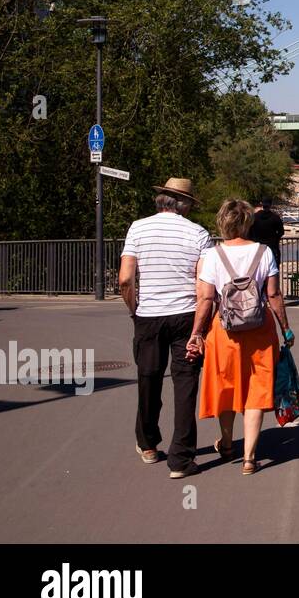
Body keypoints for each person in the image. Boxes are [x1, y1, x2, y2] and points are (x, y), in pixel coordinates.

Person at [189, 199, 294, 475]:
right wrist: (286, 328)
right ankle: (249, 458)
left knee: (226, 385)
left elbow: (206, 299)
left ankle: (226, 443)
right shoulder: (265, 253)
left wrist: (197, 333)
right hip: (260, 330)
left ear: (222, 222)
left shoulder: (212, 255)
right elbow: (273, 295)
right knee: (257, 390)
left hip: (224, 331)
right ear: (248, 222)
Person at [118, 177, 212, 479]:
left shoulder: (137, 228)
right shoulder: (199, 233)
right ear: (184, 205)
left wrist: (135, 309)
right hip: (186, 315)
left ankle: (147, 444)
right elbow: (203, 286)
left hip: (148, 315)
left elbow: (125, 279)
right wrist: (200, 328)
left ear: (162, 200)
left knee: (149, 378)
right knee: (186, 384)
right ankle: (181, 459)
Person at [248, 196, 284, 262]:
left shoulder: (254, 217)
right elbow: (281, 232)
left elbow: (248, 231)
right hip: (271, 247)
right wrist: (275, 239)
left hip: (257, 248)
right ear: (271, 204)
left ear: (261, 204)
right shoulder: (275, 217)